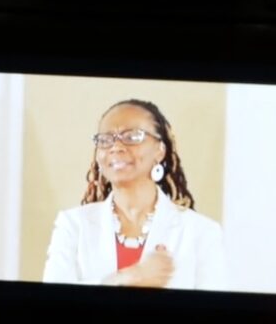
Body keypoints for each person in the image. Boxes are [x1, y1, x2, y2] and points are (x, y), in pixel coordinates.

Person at [43, 99, 227, 290]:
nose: (116, 147)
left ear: (160, 150)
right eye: (105, 140)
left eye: (131, 137)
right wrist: (129, 278)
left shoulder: (202, 232)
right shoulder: (73, 225)